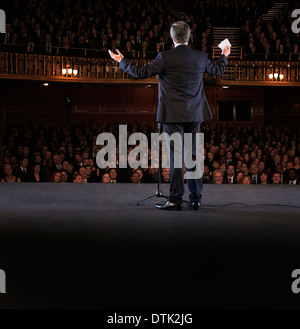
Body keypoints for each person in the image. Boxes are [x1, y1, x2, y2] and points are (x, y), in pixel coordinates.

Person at [109, 21, 230, 210]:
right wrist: (224, 54)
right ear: (189, 36)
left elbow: (140, 73)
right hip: (194, 114)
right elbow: (218, 70)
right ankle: (196, 199)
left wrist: (121, 61)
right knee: (193, 157)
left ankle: (175, 199)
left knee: (175, 158)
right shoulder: (200, 57)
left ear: (172, 38)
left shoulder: (165, 57)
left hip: (172, 115)